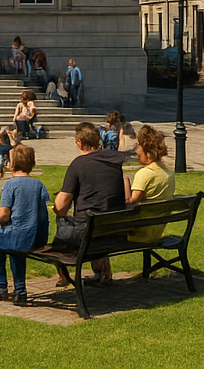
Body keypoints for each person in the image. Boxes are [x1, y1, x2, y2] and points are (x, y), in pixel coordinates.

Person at [52, 122, 127, 285]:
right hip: (114, 230)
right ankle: (104, 272)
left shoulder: (79, 164)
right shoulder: (114, 160)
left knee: (62, 227)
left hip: (88, 232)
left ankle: (63, 276)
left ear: (79, 142)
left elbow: (61, 208)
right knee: (98, 219)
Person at [0, 144, 51, 305]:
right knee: (16, 249)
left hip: (17, 235)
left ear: (12, 164)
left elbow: (5, 215)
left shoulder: (10, 185)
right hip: (35, 235)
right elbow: (43, 213)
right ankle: (20, 290)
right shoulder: (38, 185)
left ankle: (1, 287)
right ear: (32, 164)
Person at [125, 125, 175, 244]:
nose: (136, 151)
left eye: (138, 147)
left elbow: (130, 202)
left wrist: (125, 182)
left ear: (147, 151)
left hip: (139, 234)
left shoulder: (145, 174)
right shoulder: (168, 173)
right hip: (156, 231)